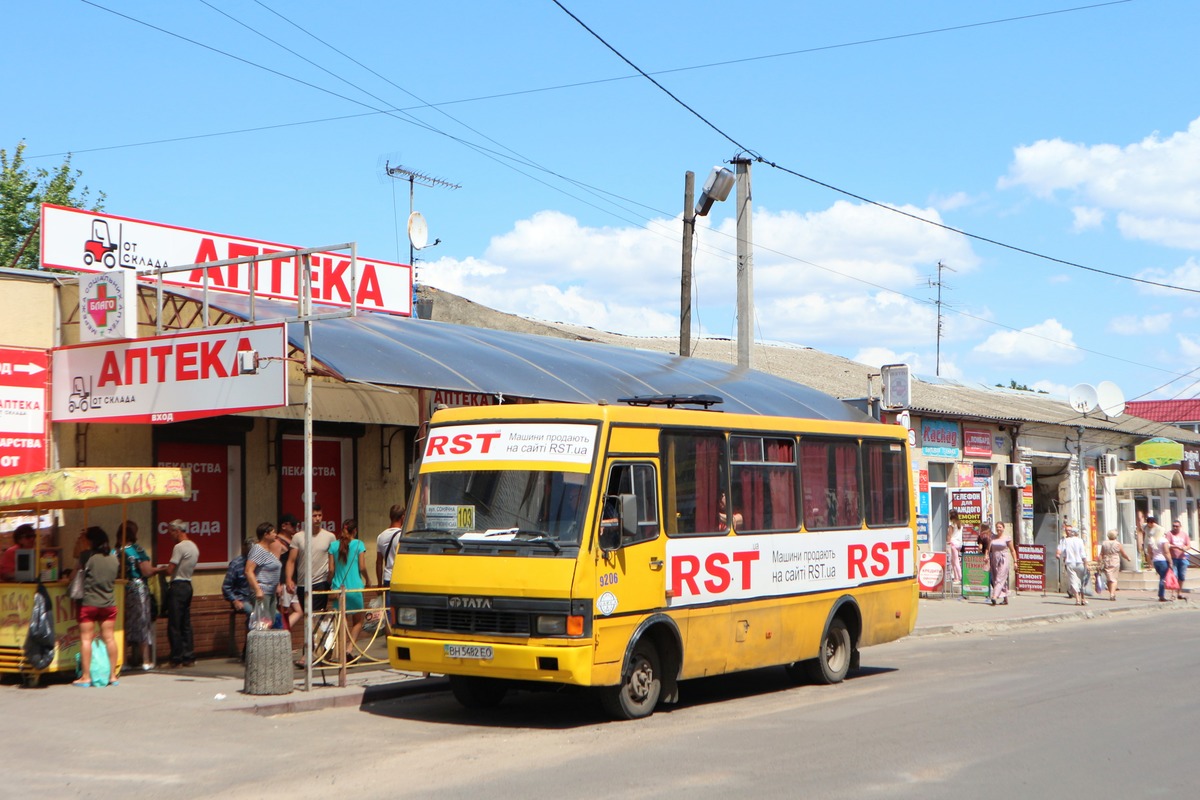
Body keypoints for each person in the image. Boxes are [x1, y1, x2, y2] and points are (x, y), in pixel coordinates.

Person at [74, 526, 120, 687]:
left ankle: (86, 677)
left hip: (89, 604)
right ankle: (113, 675)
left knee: (86, 639)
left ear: (91, 541)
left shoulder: (87, 556)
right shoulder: (114, 557)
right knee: (109, 638)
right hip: (109, 604)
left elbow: (74, 576)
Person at [118, 521, 163, 671]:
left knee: (123, 625)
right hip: (137, 589)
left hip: (120, 589)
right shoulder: (137, 550)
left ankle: (123, 661)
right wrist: (158, 570)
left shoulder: (115, 551)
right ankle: (146, 660)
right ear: (133, 533)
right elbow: (146, 571)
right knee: (143, 623)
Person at [328, 519, 370, 662]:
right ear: (355, 531)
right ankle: (349, 649)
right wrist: (368, 580)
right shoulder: (359, 544)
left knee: (342, 621)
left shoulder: (333, 546)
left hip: (339, 589)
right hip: (356, 587)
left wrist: (330, 583)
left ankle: (341, 652)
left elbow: (331, 569)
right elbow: (363, 567)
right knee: (358, 621)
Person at [165, 519, 200, 668]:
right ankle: (188, 656)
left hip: (177, 585)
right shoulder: (193, 546)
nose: (170, 535)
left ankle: (176, 658)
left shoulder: (179, 547)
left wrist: (160, 570)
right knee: (185, 623)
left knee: (174, 623)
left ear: (178, 530)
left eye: (171, 531)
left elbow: (170, 569)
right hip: (188, 584)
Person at [245, 522, 285, 627]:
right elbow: (249, 570)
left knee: (269, 622)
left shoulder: (268, 551)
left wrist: (277, 585)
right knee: (262, 624)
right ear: (265, 535)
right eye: (273, 532)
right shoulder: (258, 550)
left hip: (271, 592)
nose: (275, 535)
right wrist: (257, 590)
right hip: (263, 592)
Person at [276, 514, 302, 630]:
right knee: (283, 610)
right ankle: (281, 633)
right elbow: (275, 564)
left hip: (293, 580)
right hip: (283, 581)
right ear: (284, 526)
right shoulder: (277, 542)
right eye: (293, 525)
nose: (295, 528)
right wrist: (278, 583)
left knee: (299, 611)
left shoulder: (292, 540)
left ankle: (283, 632)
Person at [222, 537, 254, 621]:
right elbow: (226, 587)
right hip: (241, 599)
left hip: (256, 598)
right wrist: (234, 600)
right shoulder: (236, 564)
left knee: (273, 615)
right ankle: (251, 633)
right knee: (253, 613)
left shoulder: (259, 563)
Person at [375, 504, 406, 588]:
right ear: (402, 517)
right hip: (401, 577)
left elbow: (379, 562)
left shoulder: (381, 536)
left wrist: (379, 584)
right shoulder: (403, 536)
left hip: (387, 577)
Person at [1056, 526, 1089, 605]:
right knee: (1081, 581)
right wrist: (1086, 564)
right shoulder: (1080, 541)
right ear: (1077, 533)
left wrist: (1059, 555)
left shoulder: (1066, 541)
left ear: (1071, 533)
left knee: (1073, 581)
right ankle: (1083, 599)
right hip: (1079, 562)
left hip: (1070, 563)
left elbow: (1062, 550)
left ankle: (1077, 599)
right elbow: (1083, 553)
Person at [987, 521, 1017, 606]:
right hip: (994, 559)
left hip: (1004, 559)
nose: (998, 529)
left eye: (1000, 527)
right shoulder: (992, 537)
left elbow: (1012, 550)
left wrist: (1015, 562)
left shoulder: (1007, 538)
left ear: (1003, 528)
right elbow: (988, 549)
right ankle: (1005, 599)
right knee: (997, 578)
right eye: (997, 527)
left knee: (999, 578)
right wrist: (986, 556)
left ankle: (994, 596)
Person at [1099, 529, 1131, 601]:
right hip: (1115, 560)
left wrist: (1099, 562)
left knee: (1109, 578)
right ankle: (1112, 594)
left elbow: (1101, 554)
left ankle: (1111, 593)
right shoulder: (1117, 544)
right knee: (1114, 579)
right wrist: (1128, 558)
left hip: (1106, 560)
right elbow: (1123, 553)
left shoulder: (1104, 543)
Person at [1146, 518, 1171, 602]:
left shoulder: (1152, 540)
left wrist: (1151, 562)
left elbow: (1149, 552)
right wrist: (1170, 561)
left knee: (1161, 577)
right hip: (1163, 560)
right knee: (1163, 578)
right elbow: (1166, 552)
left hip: (1156, 560)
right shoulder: (1163, 540)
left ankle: (1161, 594)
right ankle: (1161, 595)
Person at [1166, 520, 1189, 601]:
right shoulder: (1169, 534)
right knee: (1174, 576)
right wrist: (1175, 546)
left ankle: (1179, 593)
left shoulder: (1184, 534)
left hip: (1182, 558)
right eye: (1174, 526)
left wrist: (1185, 548)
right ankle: (1173, 594)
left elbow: (1188, 545)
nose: (1175, 527)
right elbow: (1167, 544)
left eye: (1177, 526)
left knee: (1181, 576)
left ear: (1180, 526)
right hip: (1173, 558)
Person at [946, 511, 963, 587]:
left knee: (955, 561)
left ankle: (960, 577)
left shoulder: (952, 524)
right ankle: (956, 578)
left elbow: (949, 535)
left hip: (953, 543)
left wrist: (947, 543)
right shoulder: (960, 523)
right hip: (959, 544)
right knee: (954, 561)